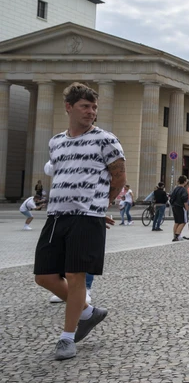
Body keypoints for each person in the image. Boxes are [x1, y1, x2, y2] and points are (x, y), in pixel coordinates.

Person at [33, 83, 124, 360]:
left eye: (94, 107)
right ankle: (86, 311)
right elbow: (62, 175)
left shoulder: (106, 140)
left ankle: (66, 337)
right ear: (69, 107)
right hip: (56, 215)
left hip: (87, 218)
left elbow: (119, 177)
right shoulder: (56, 142)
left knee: (75, 276)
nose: (91, 111)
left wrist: (99, 206)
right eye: (85, 106)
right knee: (44, 276)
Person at [169, 176, 189, 242]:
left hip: (174, 206)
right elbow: (184, 200)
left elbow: (171, 197)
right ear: (185, 182)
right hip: (181, 207)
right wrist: (187, 208)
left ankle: (175, 235)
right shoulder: (183, 190)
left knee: (177, 222)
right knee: (183, 221)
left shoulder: (175, 189)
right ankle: (177, 236)